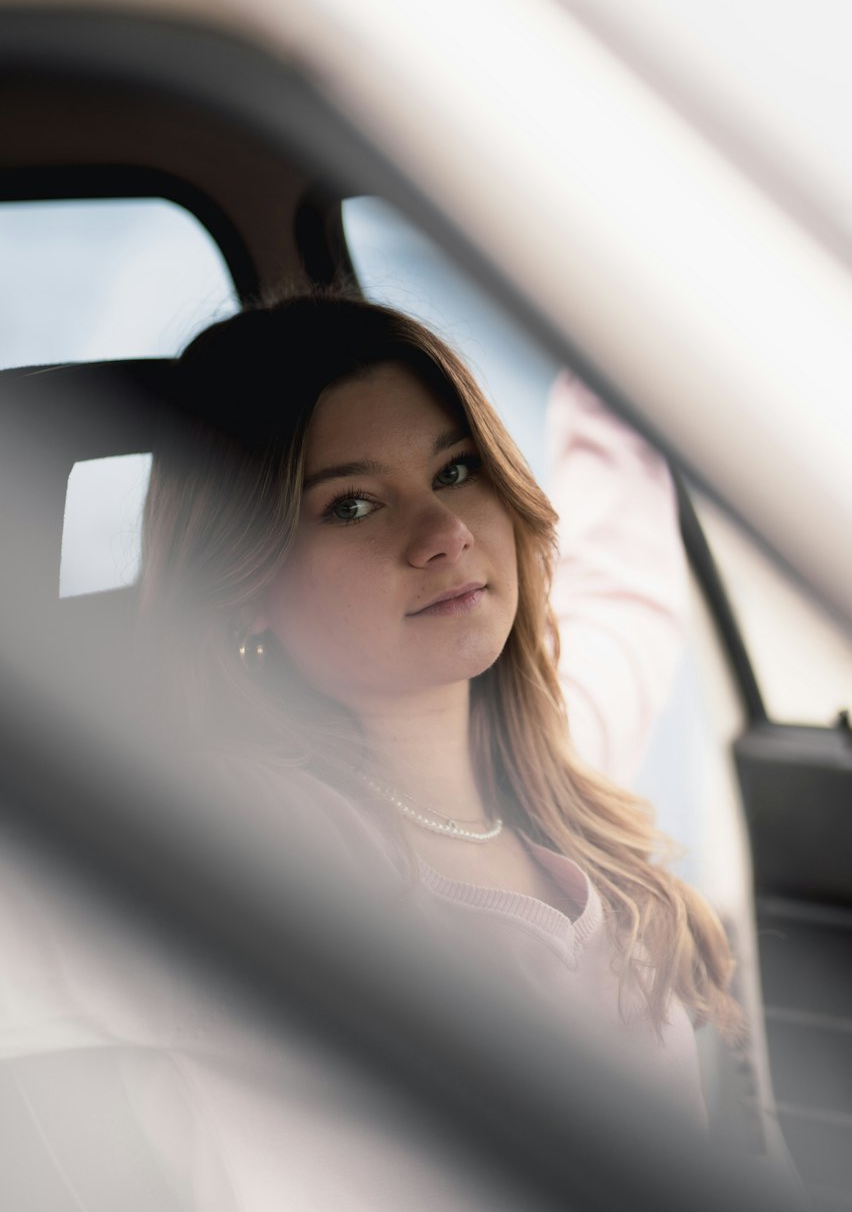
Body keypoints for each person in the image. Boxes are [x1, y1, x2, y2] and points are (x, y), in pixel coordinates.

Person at [138, 290, 740, 1107]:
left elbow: (625, 585)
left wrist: (617, 303)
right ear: (239, 581)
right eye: (352, 505)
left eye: (456, 471)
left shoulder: (556, 770)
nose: (445, 532)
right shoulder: (251, 830)